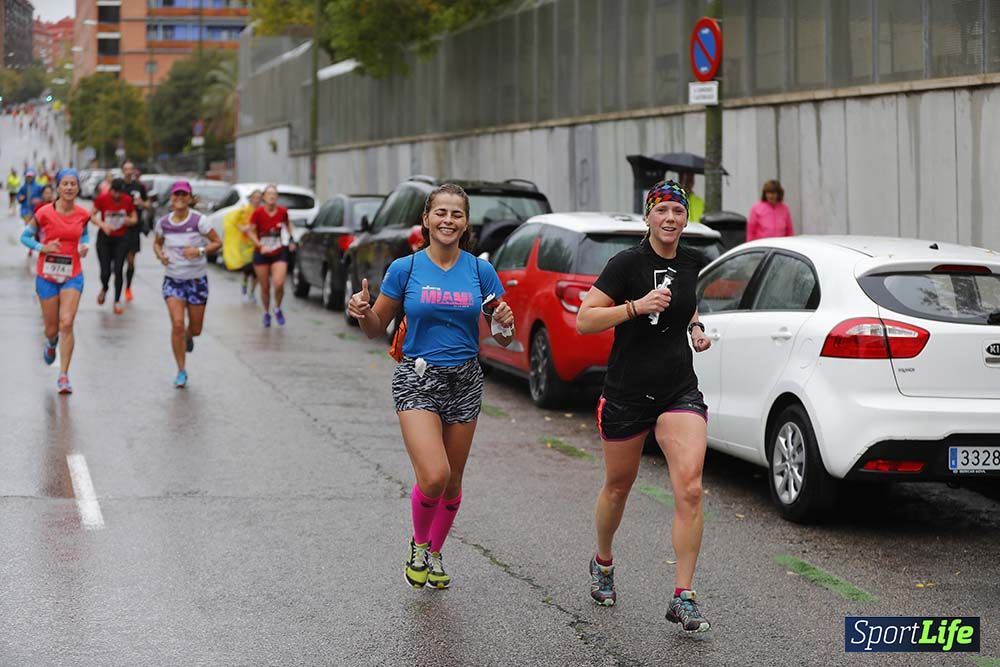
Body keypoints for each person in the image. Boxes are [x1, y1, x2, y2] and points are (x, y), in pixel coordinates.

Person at [348, 183, 515, 591]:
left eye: (456, 214)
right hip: (417, 378)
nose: (448, 220)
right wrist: (362, 312)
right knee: (435, 475)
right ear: (426, 219)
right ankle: (419, 545)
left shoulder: (481, 271)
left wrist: (504, 325)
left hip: (465, 380)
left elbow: (503, 335)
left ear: (466, 223)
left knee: (453, 482)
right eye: (440, 212)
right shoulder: (405, 269)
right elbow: (375, 328)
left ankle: (436, 552)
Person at [576, 179, 714, 633]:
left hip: (678, 389)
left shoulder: (692, 263)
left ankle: (683, 595)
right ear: (648, 217)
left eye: (678, 211)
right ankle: (603, 561)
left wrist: (695, 328)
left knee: (690, 488)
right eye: (662, 211)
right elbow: (585, 320)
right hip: (627, 392)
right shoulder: (625, 264)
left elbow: (685, 306)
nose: (670, 218)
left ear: (685, 218)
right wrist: (635, 307)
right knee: (618, 486)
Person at [19, 169, 92, 394]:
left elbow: (84, 235)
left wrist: (84, 246)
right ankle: (51, 344)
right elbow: (25, 237)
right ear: (58, 187)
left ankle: (64, 375)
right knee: (52, 329)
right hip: (47, 276)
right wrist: (43, 247)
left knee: (67, 323)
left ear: (77, 188)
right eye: (65, 184)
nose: (69, 187)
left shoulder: (83, 214)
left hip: (72, 275)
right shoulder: (44, 213)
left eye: (73, 184)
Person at [152, 181, 221, 388]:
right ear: (171, 198)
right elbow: (157, 243)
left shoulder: (200, 221)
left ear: (190, 198)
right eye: (176, 194)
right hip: (173, 280)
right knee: (177, 324)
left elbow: (217, 242)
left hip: (196, 281)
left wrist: (199, 251)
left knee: (196, 329)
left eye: (184, 194)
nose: (180, 198)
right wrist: (160, 255)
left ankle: (189, 337)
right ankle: (181, 370)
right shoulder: (163, 223)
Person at [246, 185, 295, 327]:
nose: (272, 196)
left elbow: (288, 224)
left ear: (277, 197)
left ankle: (277, 308)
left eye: (274, 194)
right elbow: (250, 232)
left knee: (279, 284)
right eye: (269, 194)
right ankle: (266, 312)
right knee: (265, 287)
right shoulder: (258, 213)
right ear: (264, 197)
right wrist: (260, 245)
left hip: (278, 251)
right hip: (261, 253)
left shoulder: (283, 212)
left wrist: (291, 239)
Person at [92, 178, 138, 314]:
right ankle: (104, 287)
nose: (117, 195)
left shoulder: (127, 200)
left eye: (119, 192)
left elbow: (134, 218)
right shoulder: (102, 199)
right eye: (114, 192)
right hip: (104, 239)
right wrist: (102, 225)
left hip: (121, 239)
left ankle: (117, 300)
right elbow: (91, 215)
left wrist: (129, 220)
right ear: (110, 190)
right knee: (105, 271)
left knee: (118, 270)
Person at [222, 188, 262, 304]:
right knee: (247, 270)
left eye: (259, 198)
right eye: (255, 198)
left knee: (257, 272)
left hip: (258, 245)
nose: (257, 200)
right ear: (251, 199)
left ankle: (252, 293)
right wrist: (243, 228)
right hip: (246, 245)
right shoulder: (243, 211)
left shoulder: (261, 211)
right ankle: (244, 292)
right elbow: (232, 221)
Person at [121, 160, 150, 303]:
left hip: (134, 229)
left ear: (133, 171)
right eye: (126, 169)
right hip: (119, 228)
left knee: (131, 260)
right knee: (118, 260)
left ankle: (128, 287)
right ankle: (117, 284)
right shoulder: (118, 185)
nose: (128, 172)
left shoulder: (139, 186)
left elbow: (148, 203)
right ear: (122, 171)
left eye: (130, 169)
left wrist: (142, 203)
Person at [17, 169, 44, 256]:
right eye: (28, 176)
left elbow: (45, 195)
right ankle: (30, 248)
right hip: (26, 210)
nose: (29, 178)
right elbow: (19, 195)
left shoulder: (38, 187)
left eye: (31, 176)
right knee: (29, 229)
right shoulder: (23, 187)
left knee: (36, 231)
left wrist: (39, 200)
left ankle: (37, 245)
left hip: (36, 210)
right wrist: (20, 198)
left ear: (34, 177)